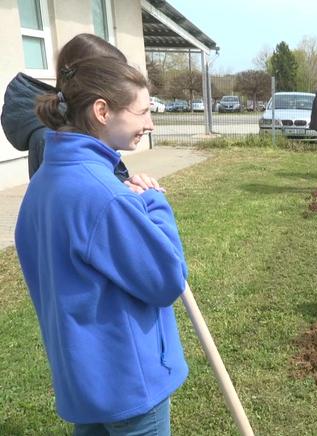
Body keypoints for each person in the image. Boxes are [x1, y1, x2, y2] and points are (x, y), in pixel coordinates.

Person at [15, 54, 189, 434]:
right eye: (142, 112)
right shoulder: (106, 196)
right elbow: (166, 279)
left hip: (83, 384)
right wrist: (155, 203)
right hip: (129, 385)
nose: (150, 123)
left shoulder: (42, 184)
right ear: (102, 111)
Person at [2, 33, 130, 181]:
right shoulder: (53, 135)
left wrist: (128, 184)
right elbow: (80, 197)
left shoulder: (76, 123)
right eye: (116, 78)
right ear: (92, 78)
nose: (121, 87)